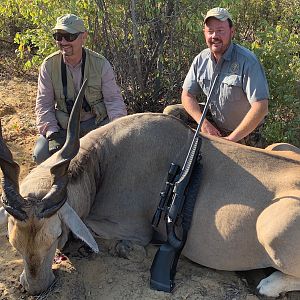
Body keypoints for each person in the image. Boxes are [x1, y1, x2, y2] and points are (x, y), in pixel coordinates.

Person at [164, 7, 269, 148]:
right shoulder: (201, 59)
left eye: (220, 31)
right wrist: (203, 123)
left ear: (232, 32)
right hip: (216, 122)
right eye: (210, 31)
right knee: (172, 113)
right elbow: (187, 95)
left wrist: (231, 140)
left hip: (245, 132)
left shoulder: (247, 61)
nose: (214, 36)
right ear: (204, 33)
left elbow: (261, 107)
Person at [33, 14, 127, 164]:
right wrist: (52, 134)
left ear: (83, 37)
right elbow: (44, 105)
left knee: (116, 156)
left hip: (96, 123)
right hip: (64, 126)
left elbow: (114, 101)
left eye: (69, 36)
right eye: (58, 36)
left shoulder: (101, 64)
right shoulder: (49, 66)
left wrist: (118, 130)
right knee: (41, 154)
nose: (63, 42)